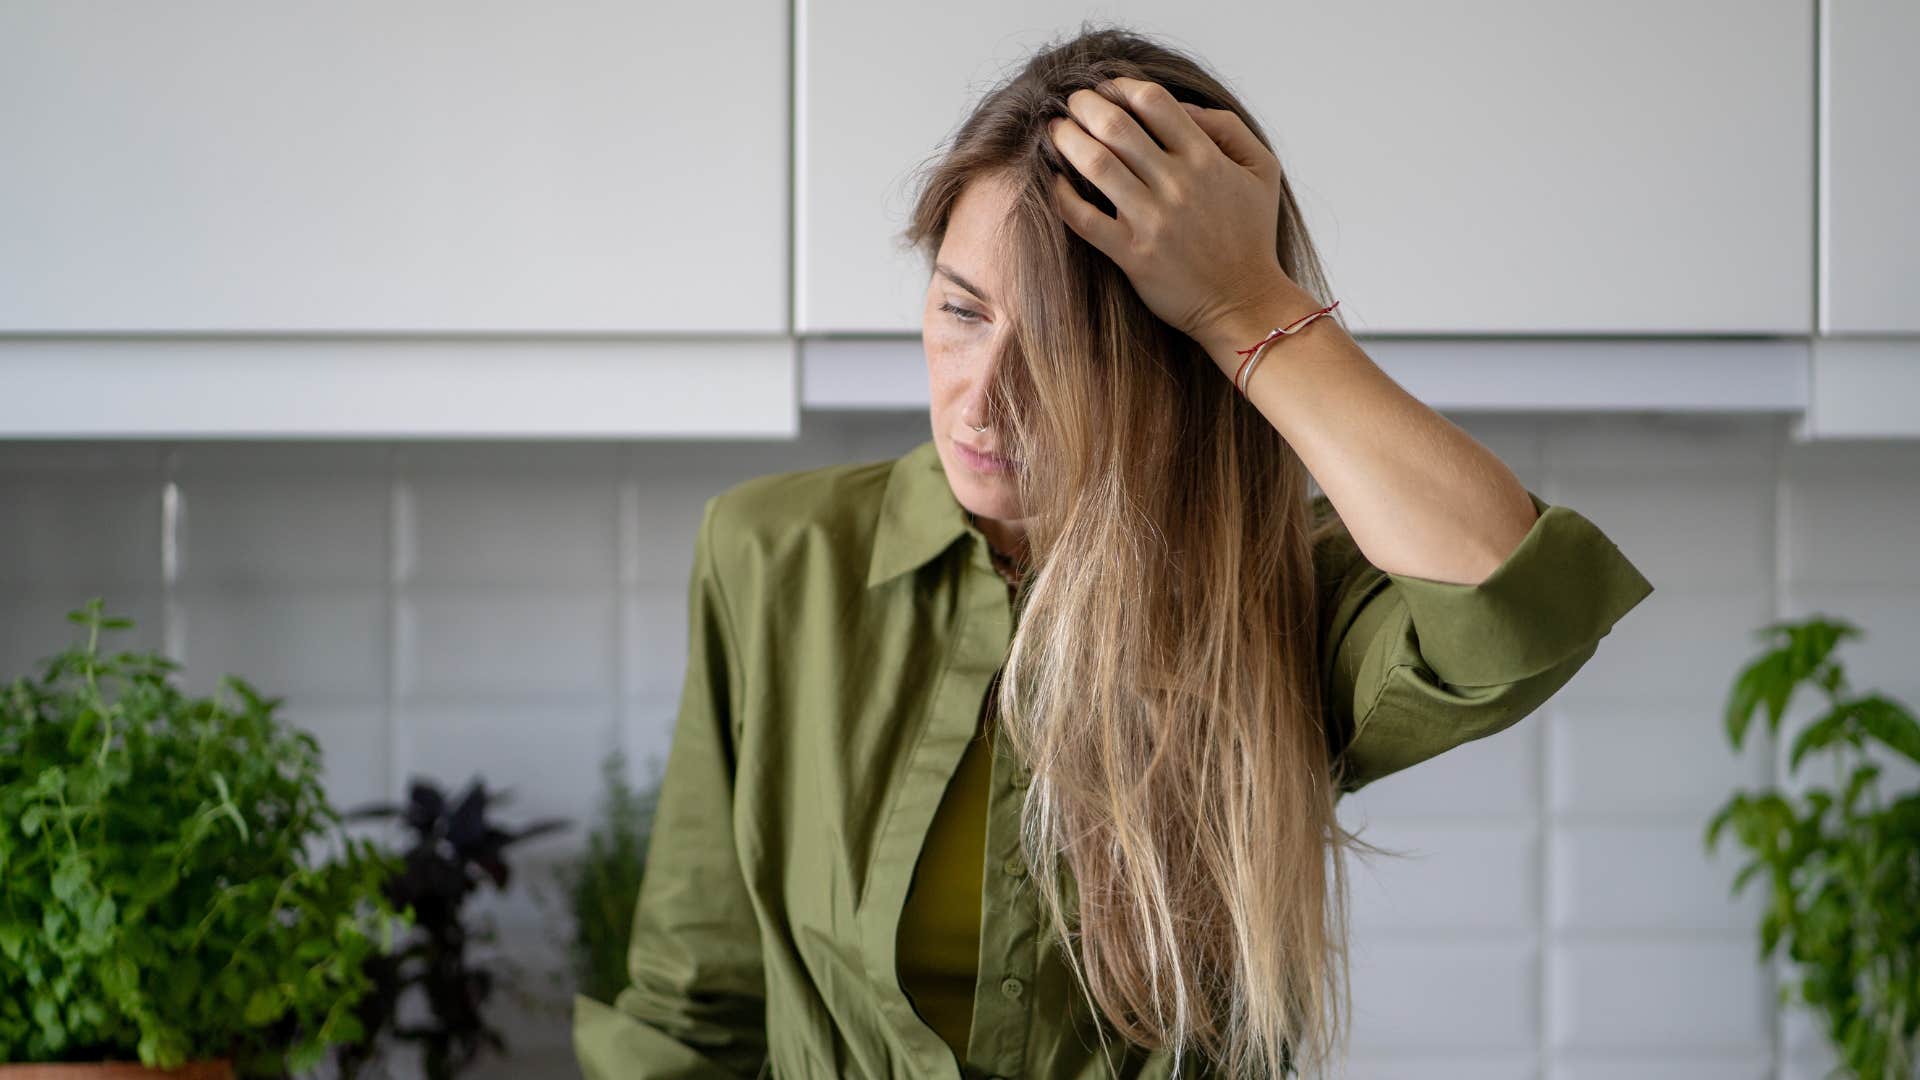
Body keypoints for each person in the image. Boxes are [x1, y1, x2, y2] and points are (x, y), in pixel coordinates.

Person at [575, 22, 1654, 1080]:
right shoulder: (776, 554)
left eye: (1065, 349)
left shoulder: (1275, 596)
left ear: (1173, 362)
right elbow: (693, 1006)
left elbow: (1513, 601)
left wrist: (1247, 304)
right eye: (960, 310)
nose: (984, 400)